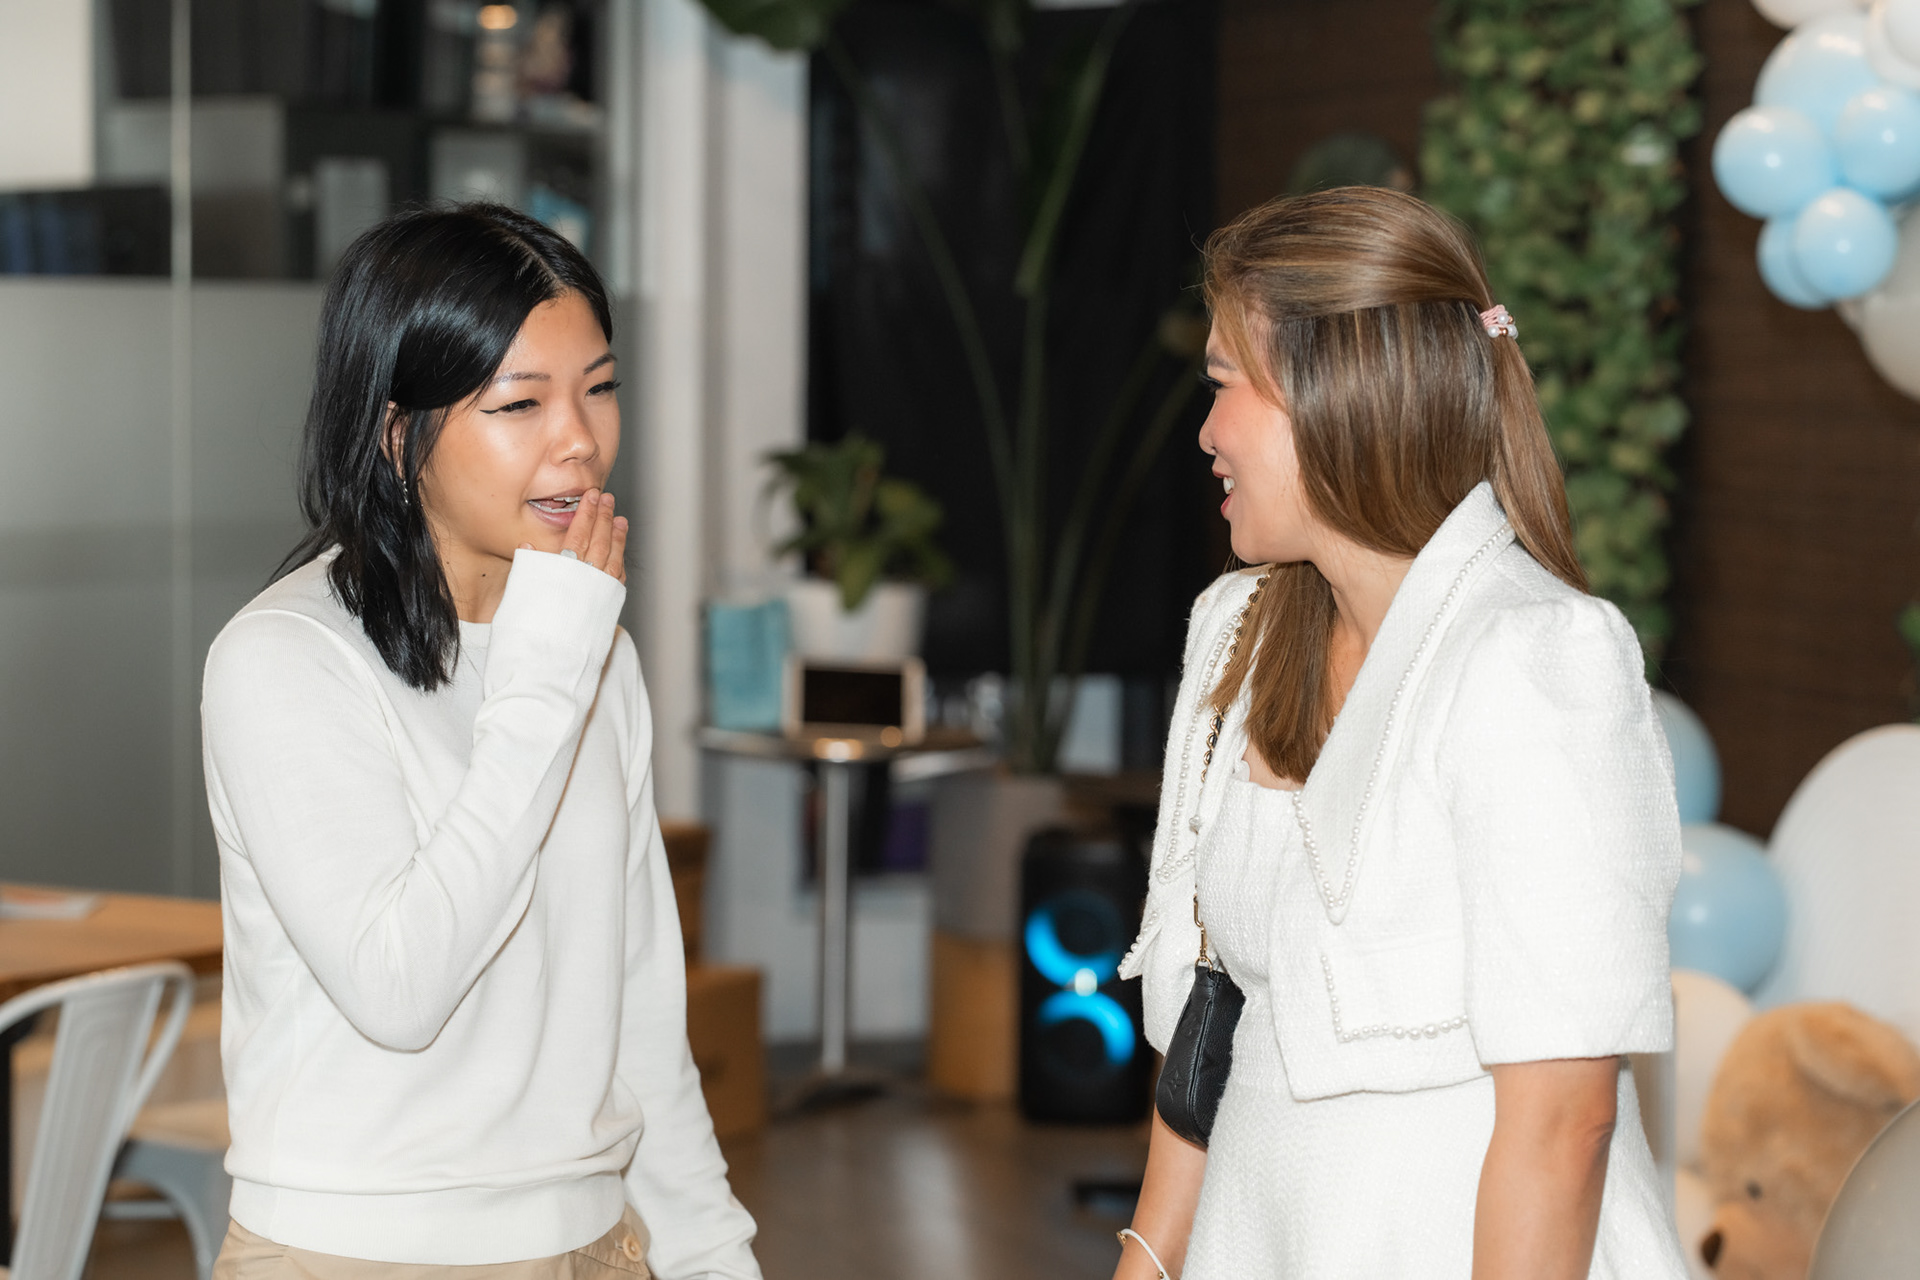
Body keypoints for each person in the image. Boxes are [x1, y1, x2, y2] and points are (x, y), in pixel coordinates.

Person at [1111, 187, 1687, 1279]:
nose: (1207, 431)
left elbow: (1564, 1123)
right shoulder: (1236, 631)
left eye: (1225, 384)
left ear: (1336, 394)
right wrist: (1144, 1263)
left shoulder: (1536, 655)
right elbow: (1210, 1029)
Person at [201, 204, 760, 1280]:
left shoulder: (590, 648)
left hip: (596, 1244)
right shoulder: (283, 657)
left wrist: (713, 1256)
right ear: (396, 432)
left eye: (599, 387)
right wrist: (546, 675)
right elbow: (400, 991)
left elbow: (640, 1011)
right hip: (357, 1254)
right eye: (520, 402)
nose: (579, 439)